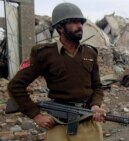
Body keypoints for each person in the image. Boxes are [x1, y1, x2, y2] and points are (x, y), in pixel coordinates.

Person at [8, 2, 105, 141]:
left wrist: (95, 105)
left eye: (81, 22)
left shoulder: (90, 53)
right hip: (59, 126)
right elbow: (15, 86)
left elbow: (97, 86)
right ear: (60, 27)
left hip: (88, 123)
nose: (80, 26)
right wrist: (36, 115)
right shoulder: (44, 53)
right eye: (74, 22)